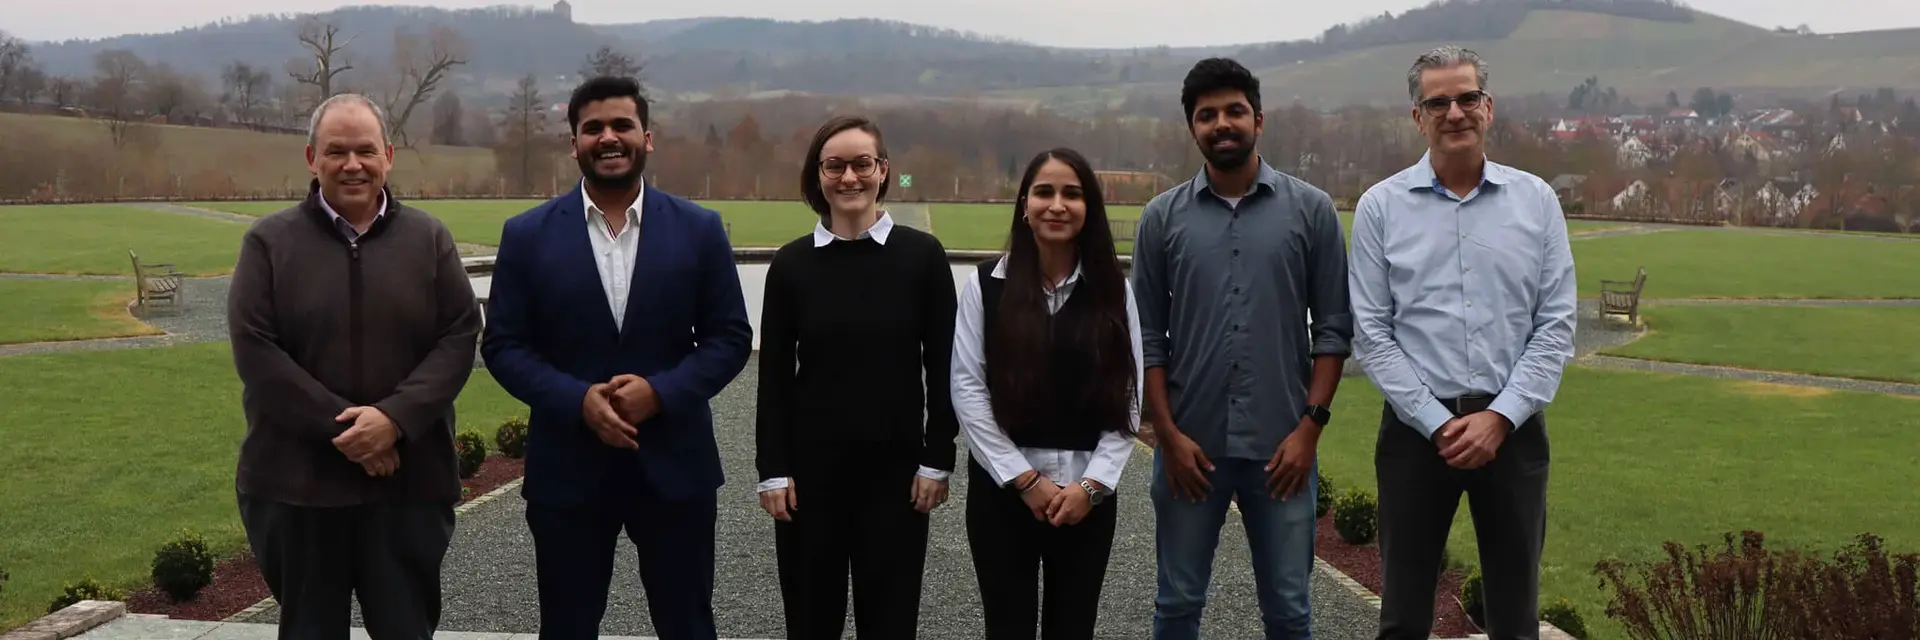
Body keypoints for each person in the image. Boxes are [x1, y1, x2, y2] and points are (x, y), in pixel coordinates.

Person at [479, 76, 754, 640]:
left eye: (621, 125)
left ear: (646, 138)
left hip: (676, 468)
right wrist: (576, 399)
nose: (609, 137)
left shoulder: (699, 230)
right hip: (569, 472)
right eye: (593, 128)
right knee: (567, 627)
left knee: (689, 626)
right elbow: (503, 345)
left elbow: (730, 337)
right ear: (573, 142)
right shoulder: (527, 236)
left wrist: (661, 392)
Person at [228, 93, 481, 640]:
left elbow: (459, 336)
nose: (352, 164)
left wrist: (392, 421)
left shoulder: (429, 239)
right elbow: (255, 349)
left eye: (365, 150)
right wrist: (347, 429)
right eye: (335, 151)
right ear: (310, 158)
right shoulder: (268, 243)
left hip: (408, 487)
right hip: (296, 488)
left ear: (388, 155)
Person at [1348, 45, 1576, 640]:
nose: (1455, 111)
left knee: (1515, 615)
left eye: (1467, 97)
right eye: (1438, 101)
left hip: (1515, 431)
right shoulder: (1380, 208)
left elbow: (1554, 324)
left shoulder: (1537, 202)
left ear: (1488, 106)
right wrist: (1436, 422)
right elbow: (1372, 332)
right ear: (1417, 117)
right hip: (1416, 438)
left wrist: (1499, 418)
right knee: (1402, 615)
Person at [1131, 57, 1354, 640]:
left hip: (1283, 448)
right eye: (1207, 115)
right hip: (1189, 451)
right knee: (1177, 604)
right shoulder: (1162, 219)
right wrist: (1166, 435)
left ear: (1259, 118)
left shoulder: (1312, 211)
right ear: (1193, 128)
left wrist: (1310, 429)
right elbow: (1146, 336)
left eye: (1234, 111)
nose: (1222, 123)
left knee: (1288, 610)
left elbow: (1333, 328)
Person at [753, 114, 959, 640]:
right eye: (835, 165)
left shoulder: (922, 258)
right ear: (817, 174)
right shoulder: (792, 266)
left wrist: (938, 459)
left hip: (895, 480)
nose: (849, 177)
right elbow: (773, 378)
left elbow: (944, 367)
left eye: (862, 164)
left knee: (889, 624)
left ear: (883, 170)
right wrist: (773, 470)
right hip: (810, 479)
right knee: (810, 623)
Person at [952, 147, 1143, 640]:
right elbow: (968, 389)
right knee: (1007, 626)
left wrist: (1093, 486)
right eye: (1044, 192)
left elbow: (1130, 394)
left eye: (1072, 194)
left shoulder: (1115, 292)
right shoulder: (984, 286)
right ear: (1024, 204)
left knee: (1073, 626)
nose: (1057, 205)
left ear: (1089, 208)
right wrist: (1024, 478)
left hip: (1087, 499)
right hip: (1003, 497)